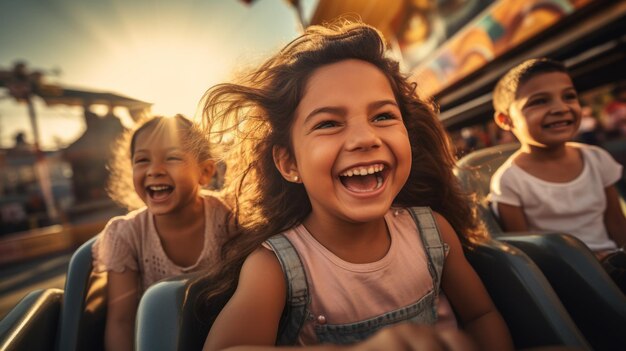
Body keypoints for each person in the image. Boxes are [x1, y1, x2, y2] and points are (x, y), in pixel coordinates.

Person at [198, 22, 513, 351]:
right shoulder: (275, 266)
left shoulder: (433, 231)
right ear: (289, 164)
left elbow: (481, 315)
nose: (366, 138)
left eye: (383, 117)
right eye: (329, 123)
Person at [92, 115, 231, 351]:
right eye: (142, 160)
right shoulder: (125, 234)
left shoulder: (228, 218)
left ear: (205, 171)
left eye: (173, 158)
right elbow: (121, 321)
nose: (154, 170)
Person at [489, 58, 626, 289]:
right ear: (506, 120)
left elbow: (616, 224)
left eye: (569, 96)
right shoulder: (509, 181)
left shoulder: (595, 158)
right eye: (540, 101)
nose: (561, 108)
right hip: (568, 279)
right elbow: (525, 254)